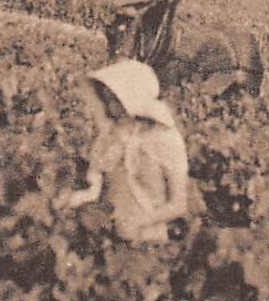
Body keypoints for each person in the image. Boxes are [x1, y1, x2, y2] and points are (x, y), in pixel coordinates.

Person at [57, 60, 190, 242]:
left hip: (146, 237)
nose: (110, 105)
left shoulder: (166, 140)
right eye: (106, 98)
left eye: (114, 99)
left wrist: (139, 223)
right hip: (108, 232)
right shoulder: (110, 137)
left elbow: (178, 204)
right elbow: (96, 185)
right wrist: (79, 198)